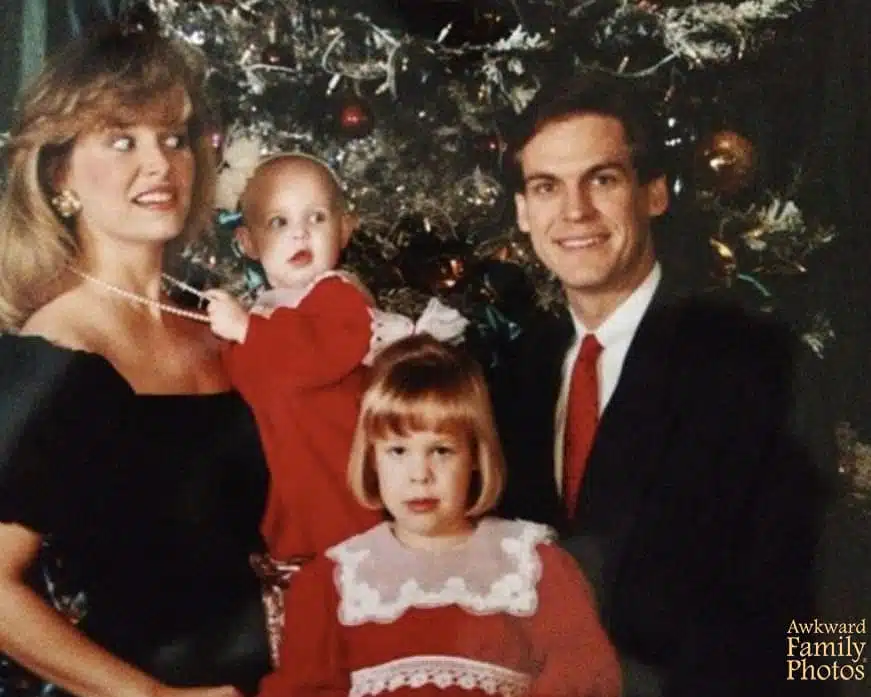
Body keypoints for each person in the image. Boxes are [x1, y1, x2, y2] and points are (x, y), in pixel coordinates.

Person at [490, 71, 822, 696]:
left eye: (602, 179)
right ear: (524, 213)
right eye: (547, 186)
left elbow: (833, 590)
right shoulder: (514, 376)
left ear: (654, 194)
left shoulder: (754, 361)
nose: (575, 211)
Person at [0, 24, 271, 697]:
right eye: (122, 140)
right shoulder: (55, 351)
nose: (160, 164)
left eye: (173, 138)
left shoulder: (218, 320)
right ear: (60, 174)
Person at [204, 153, 468, 661]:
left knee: (368, 631)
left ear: (345, 228)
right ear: (248, 243)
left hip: (348, 502)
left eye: (317, 218)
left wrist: (245, 330)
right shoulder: (262, 314)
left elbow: (315, 356)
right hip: (292, 513)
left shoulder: (338, 297)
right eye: (279, 222)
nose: (300, 234)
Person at [257, 334, 622, 697]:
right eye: (398, 451)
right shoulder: (334, 583)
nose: (420, 474)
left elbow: (586, 680)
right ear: (372, 459)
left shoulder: (533, 567)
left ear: (475, 457)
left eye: (442, 451)